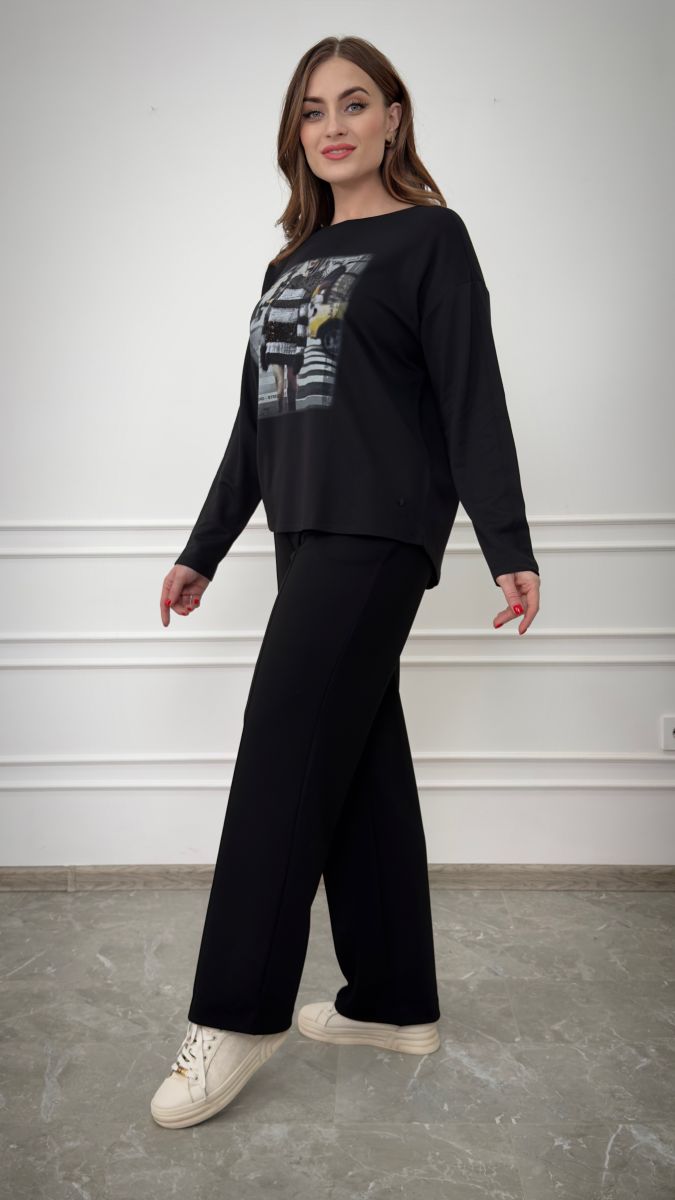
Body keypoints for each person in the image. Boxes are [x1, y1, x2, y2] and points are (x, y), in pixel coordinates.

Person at [150, 35, 541, 1130]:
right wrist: (203, 547)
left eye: (355, 103)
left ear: (392, 118)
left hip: (380, 533)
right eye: (314, 110)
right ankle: (391, 1001)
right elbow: (256, 424)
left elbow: (471, 393)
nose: (334, 125)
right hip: (303, 534)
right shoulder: (289, 263)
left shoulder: (430, 238)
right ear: (298, 134)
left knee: (281, 751)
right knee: (359, 758)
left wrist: (508, 543)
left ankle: (235, 1015)